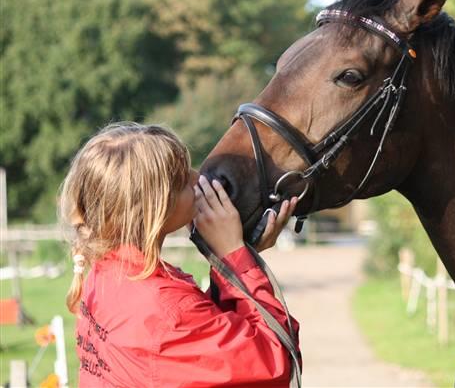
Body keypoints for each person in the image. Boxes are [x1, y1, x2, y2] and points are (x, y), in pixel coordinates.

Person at [59, 122, 300, 387]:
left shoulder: (106, 274)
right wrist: (235, 259)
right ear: (156, 206)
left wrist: (232, 262)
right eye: (182, 179)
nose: (197, 178)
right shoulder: (166, 310)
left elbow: (206, 336)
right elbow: (277, 361)